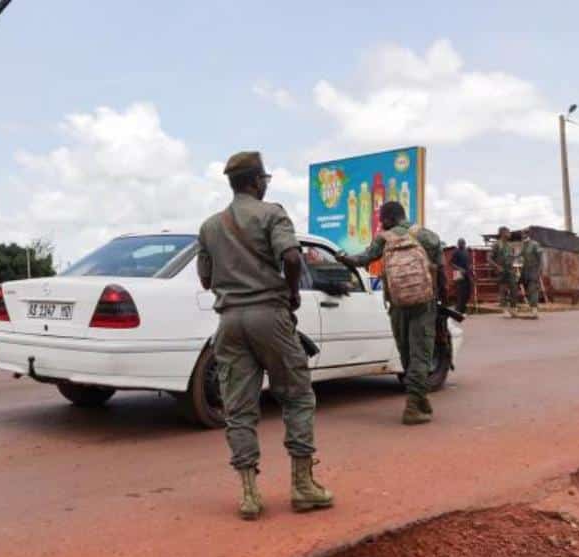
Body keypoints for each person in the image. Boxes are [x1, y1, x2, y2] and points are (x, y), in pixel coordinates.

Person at [196, 151, 333, 521]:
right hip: (270, 316)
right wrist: (290, 293)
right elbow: (291, 258)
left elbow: (205, 279)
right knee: (298, 395)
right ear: (257, 181)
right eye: (264, 180)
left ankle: (249, 494)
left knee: (239, 408)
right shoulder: (272, 213)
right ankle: (303, 486)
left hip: (229, 323)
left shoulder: (210, 226)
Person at [340, 201, 446, 425]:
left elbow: (361, 259)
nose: (380, 223)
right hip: (424, 303)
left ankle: (418, 401)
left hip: (397, 303)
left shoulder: (384, 238)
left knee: (407, 353)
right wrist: (441, 300)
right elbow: (440, 267)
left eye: (381, 219)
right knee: (421, 354)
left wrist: (343, 258)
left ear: (388, 219)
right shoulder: (425, 235)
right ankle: (414, 406)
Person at [490, 226, 517, 318]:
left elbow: (512, 257)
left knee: (514, 290)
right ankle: (505, 310)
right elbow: (489, 258)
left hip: (510, 270)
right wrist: (497, 267)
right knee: (503, 291)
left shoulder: (510, 245)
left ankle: (513, 309)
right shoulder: (497, 245)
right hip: (501, 271)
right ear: (502, 233)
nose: (509, 234)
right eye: (508, 232)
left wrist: (514, 265)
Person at [519, 232, 543, 319]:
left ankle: (534, 311)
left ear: (528, 235)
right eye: (522, 235)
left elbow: (540, 257)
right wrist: (511, 256)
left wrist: (539, 270)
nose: (522, 236)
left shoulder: (534, 244)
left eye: (524, 234)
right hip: (525, 271)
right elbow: (519, 255)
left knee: (533, 289)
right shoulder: (524, 245)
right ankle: (532, 308)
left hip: (533, 270)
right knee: (527, 290)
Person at [450, 238, 473, 315]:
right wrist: (459, 269)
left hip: (466, 273)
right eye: (460, 243)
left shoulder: (466, 252)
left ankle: (462, 308)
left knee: (468, 291)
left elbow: (468, 263)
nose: (462, 244)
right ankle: (458, 310)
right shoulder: (455, 252)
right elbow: (451, 263)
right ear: (458, 244)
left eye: (463, 243)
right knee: (460, 292)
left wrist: (471, 271)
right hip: (457, 273)